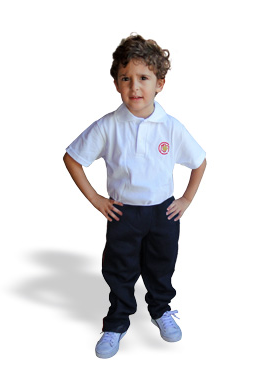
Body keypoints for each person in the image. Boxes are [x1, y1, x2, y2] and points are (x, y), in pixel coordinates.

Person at [63, 34, 207, 359]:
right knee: (120, 269)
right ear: (116, 84)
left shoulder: (171, 128)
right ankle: (116, 322)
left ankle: (161, 309)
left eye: (143, 78)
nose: (134, 87)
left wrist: (185, 200)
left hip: (163, 214)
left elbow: (199, 162)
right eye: (125, 78)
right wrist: (97, 199)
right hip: (123, 214)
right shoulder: (108, 126)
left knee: (161, 266)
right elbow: (72, 158)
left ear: (160, 84)